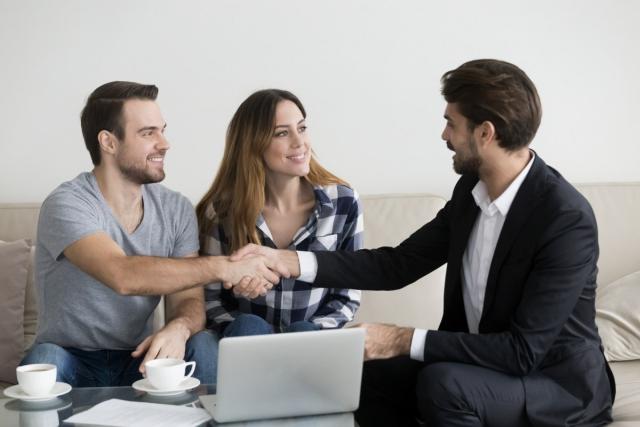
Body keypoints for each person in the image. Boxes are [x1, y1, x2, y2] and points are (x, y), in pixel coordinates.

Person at [231, 60, 615, 426]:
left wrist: (400, 339)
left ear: (485, 133)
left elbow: (522, 351)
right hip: (481, 369)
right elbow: (397, 264)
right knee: (365, 374)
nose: (444, 135)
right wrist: (289, 261)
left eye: (451, 123)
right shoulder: (471, 192)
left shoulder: (564, 218)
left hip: (556, 386)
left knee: (445, 385)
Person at [21, 81, 286, 388]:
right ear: (108, 142)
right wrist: (226, 267)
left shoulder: (175, 209)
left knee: (202, 345)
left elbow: (187, 298)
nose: (164, 143)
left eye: (162, 130)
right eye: (148, 133)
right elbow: (122, 275)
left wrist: (180, 327)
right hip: (70, 359)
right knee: (45, 360)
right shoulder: (67, 203)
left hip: (140, 359)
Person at [196, 89, 362, 337]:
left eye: (302, 128)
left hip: (310, 340)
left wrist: (313, 332)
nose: (299, 142)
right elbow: (211, 299)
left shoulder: (343, 203)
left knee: (304, 333)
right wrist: (236, 291)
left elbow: (347, 295)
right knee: (246, 326)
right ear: (254, 144)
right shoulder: (221, 212)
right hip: (246, 341)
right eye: (282, 133)